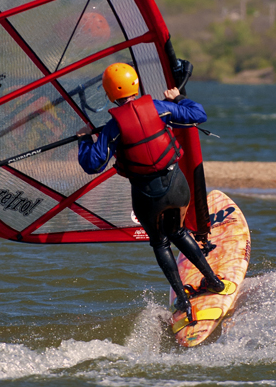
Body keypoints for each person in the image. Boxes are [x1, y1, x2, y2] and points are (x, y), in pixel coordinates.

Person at [77, 62, 225, 324]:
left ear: (110, 94)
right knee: (178, 231)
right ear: (136, 84)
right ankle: (213, 281)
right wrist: (177, 97)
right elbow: (198, 114)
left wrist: (84, 140)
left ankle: (183, 299)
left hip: (147, 196)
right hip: (176, 186)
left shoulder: (113, 128)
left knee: (160, 242)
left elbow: (93, 164)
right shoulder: (160, 108)